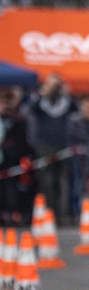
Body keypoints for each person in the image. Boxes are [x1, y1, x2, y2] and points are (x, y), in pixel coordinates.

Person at [27, 73, 77, 218]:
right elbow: (30, 108)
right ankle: (47, 210)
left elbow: (75, 109)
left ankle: (59, 213)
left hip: (61, 145)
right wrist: (42, 92)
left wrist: (66, 92)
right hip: (44, 145)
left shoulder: (65, 101)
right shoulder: (40, 100)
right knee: (46, 179)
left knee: (59, 180)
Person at [1, 87, 35, 225]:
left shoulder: (18, 118)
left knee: (14, 186)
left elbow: (23, 140)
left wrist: (27, 155)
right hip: (3, 158)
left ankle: (13, 212)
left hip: (14, 158)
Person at [66, 97, 89, 223]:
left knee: (83, 183)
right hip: (75, 155)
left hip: (87, 156)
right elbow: (71, 135)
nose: (88, 110)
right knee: (75, 183)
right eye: (86, 107)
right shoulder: (74, 120)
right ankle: (74, 210)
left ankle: (80, 209)